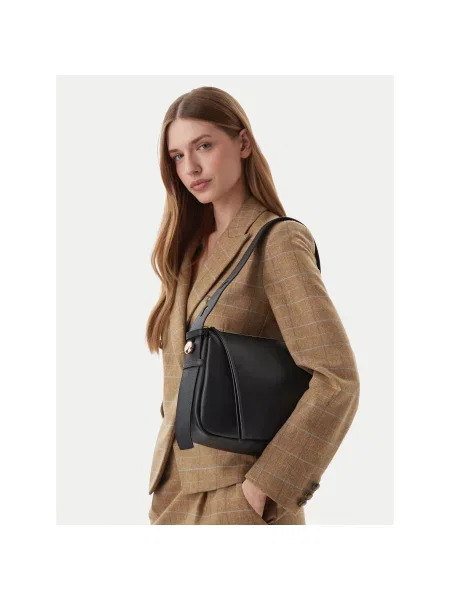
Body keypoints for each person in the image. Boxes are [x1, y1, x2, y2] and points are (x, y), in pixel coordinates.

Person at [145, 86, 360, 525]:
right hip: (171, 498)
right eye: (178, 156)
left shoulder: (277, 241)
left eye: (204, 146)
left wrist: (267, 486)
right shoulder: (185, 255)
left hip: (238, 497)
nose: (191, 167)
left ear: (242, 143)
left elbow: (337, 378)